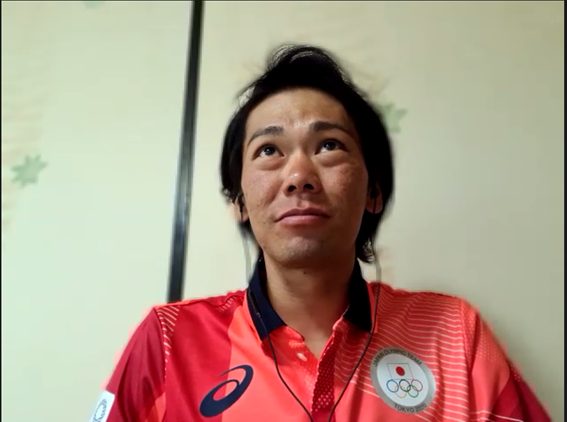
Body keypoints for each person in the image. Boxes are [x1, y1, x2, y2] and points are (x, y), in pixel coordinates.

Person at [90, 45, 550, 422]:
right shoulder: (168, 340)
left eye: (329, 145)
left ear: (373, 192)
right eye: (269, 150)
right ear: (239, 201)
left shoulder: (453, 333)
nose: (298, 177)